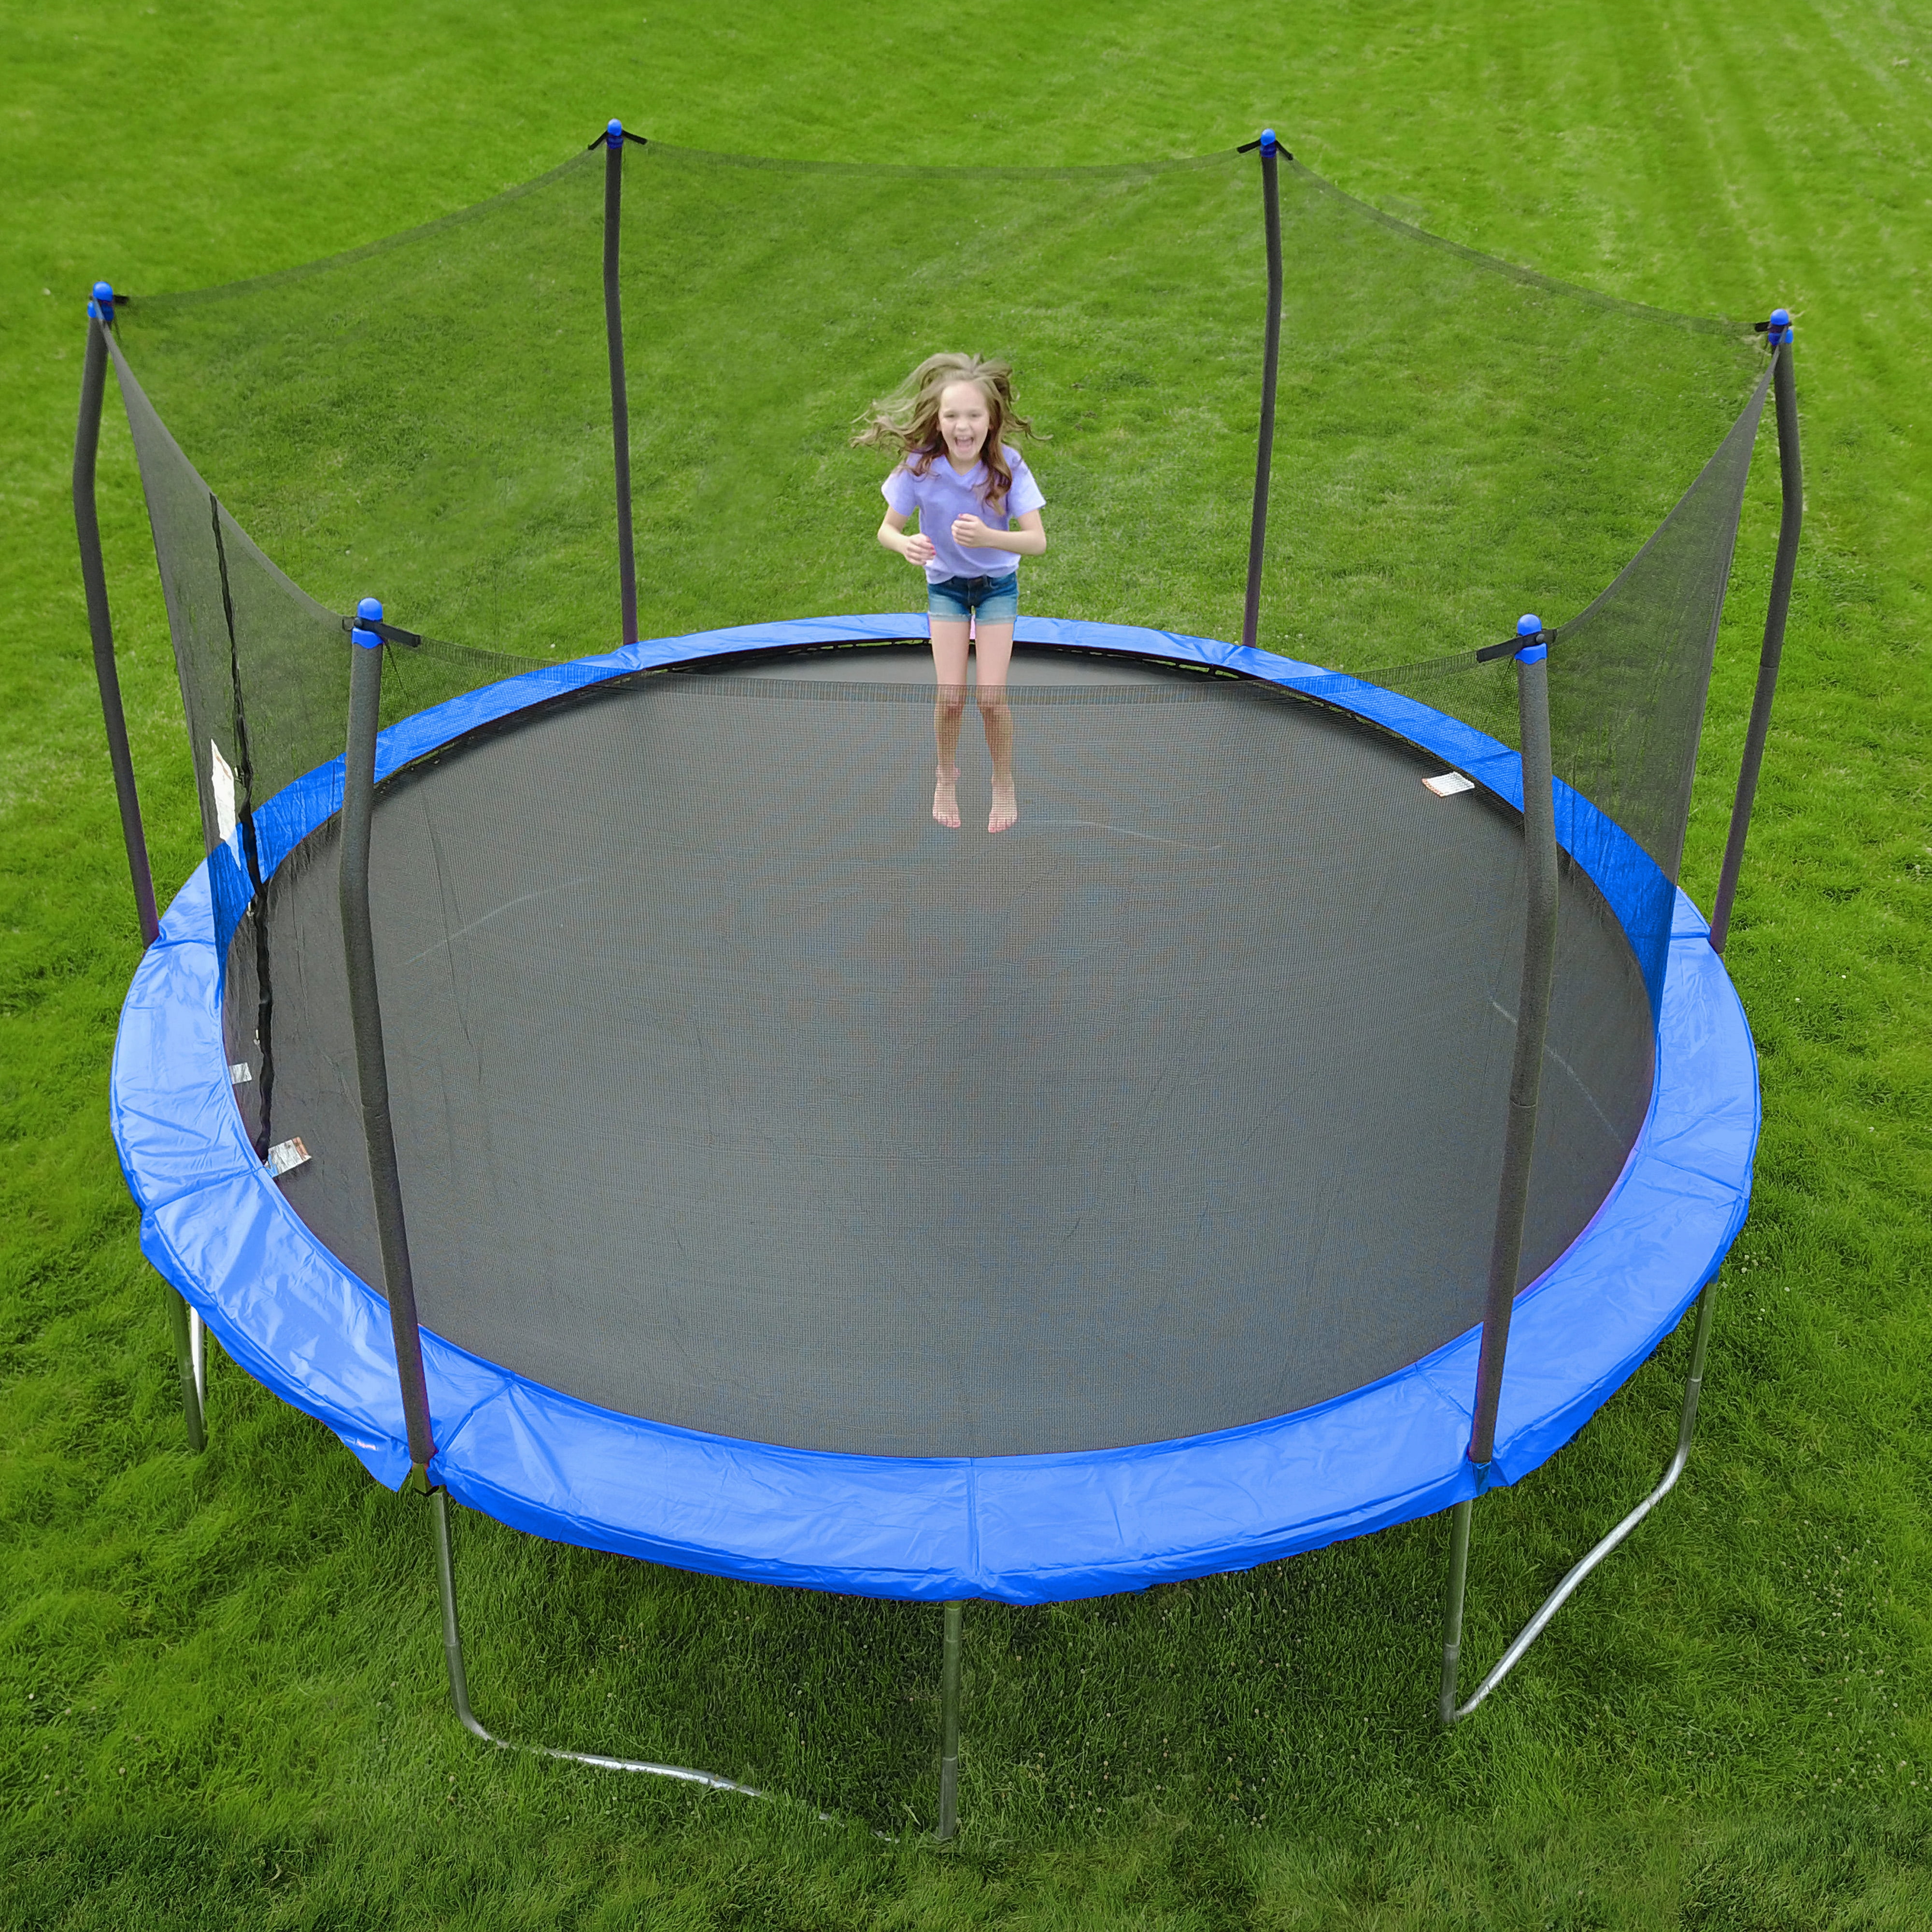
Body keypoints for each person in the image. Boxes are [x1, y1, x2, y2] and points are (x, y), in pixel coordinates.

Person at [855, 354, 1047, 832]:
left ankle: (1002, 781)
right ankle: (945, 774)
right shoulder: (920, 468)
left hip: (997, 586)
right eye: (951, 416)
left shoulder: (1007, 467)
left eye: (973, 416)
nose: (963, 427)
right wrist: (905, 544)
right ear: (937, 421)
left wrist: (989, 537)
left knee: (991, 698)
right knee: (949, 698)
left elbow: (1036, 541)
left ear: (992, 420)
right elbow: (886, 530)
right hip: (945, 588)